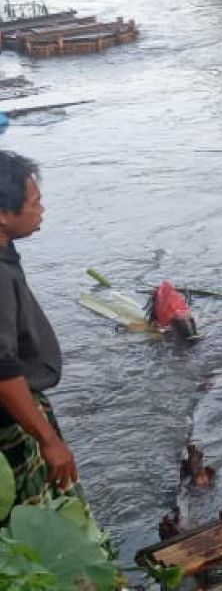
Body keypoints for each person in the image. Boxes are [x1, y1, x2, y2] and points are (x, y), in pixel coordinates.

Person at [0, 151, 82, 519]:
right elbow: (1, 368)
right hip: (11, 412)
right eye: (34, 203)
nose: (42, 209)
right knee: (35, 516)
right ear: (3, 215)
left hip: (18, 402)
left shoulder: (5, 251)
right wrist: (47, 439)